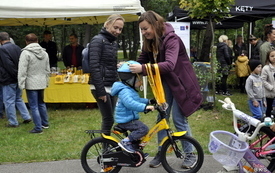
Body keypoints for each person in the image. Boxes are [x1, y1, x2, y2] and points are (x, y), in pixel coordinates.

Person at [128, 10, 202, 169]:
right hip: (165, 85)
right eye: (141, 29)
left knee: (179, 119)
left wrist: (142, 68)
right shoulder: (150, 41)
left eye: (146, 28)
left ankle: (190, 155)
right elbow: (142, 60)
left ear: (155, 24)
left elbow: (169, 65)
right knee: (162, 118)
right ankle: (161, 153)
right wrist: (127, 65)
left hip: (181, 84)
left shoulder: (171, 39)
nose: (143, 32)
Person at [89, 14, 125, 135]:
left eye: (120, 29)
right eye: (115, 27)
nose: (117, 31)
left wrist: (117, 66)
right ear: (107, 24)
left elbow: (107, 64)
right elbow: (94, 66)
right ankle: (105, 151)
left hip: (111, 85)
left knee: (110, 118)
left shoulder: (112, 43)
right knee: (108, 119)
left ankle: (107, 148)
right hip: (100, 86)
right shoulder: (97, 40)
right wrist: (100, 91)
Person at [111, 61, 154, 153]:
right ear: (130, 80)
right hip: (125, 120)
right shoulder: (125, 91)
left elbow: (136, 100)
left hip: (128, 118)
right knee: (143, 129)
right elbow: (130, 103)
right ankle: (125, 142)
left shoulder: (129, 90)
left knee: (139, 133)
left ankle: (135, 151)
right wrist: (144, 107)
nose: (141, 81)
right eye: (139, 79)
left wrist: (149, 101)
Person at [18, 33, 50, 133]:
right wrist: (46, 81)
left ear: (26, 42)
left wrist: (21, 83)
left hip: (31, 82)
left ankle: (38, 128)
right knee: (41, 103)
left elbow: (22, 70)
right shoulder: (44, 53)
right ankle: (45, 123)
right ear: (37, 41)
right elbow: (47, 69)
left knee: (33, 106)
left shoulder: (25, 53)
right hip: (41, 81)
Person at [0, 32, 32, 127]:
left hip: (9, 78)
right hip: (18, 77)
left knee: (8, 100)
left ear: (0, 40)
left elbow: (8, 64)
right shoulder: (17, 47)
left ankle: (13, 122)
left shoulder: (2, 49)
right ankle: (26, 116)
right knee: (18, 98)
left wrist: (14, 75)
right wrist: (19, 76)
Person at [261, 50, 275, 118]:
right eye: (272, 56)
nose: (274, 57)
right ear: (268, 57)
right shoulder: (266, 68)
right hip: (270, 93)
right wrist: (271, 87)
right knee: (269, 108)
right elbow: (263, 80)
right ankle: (268, 122)